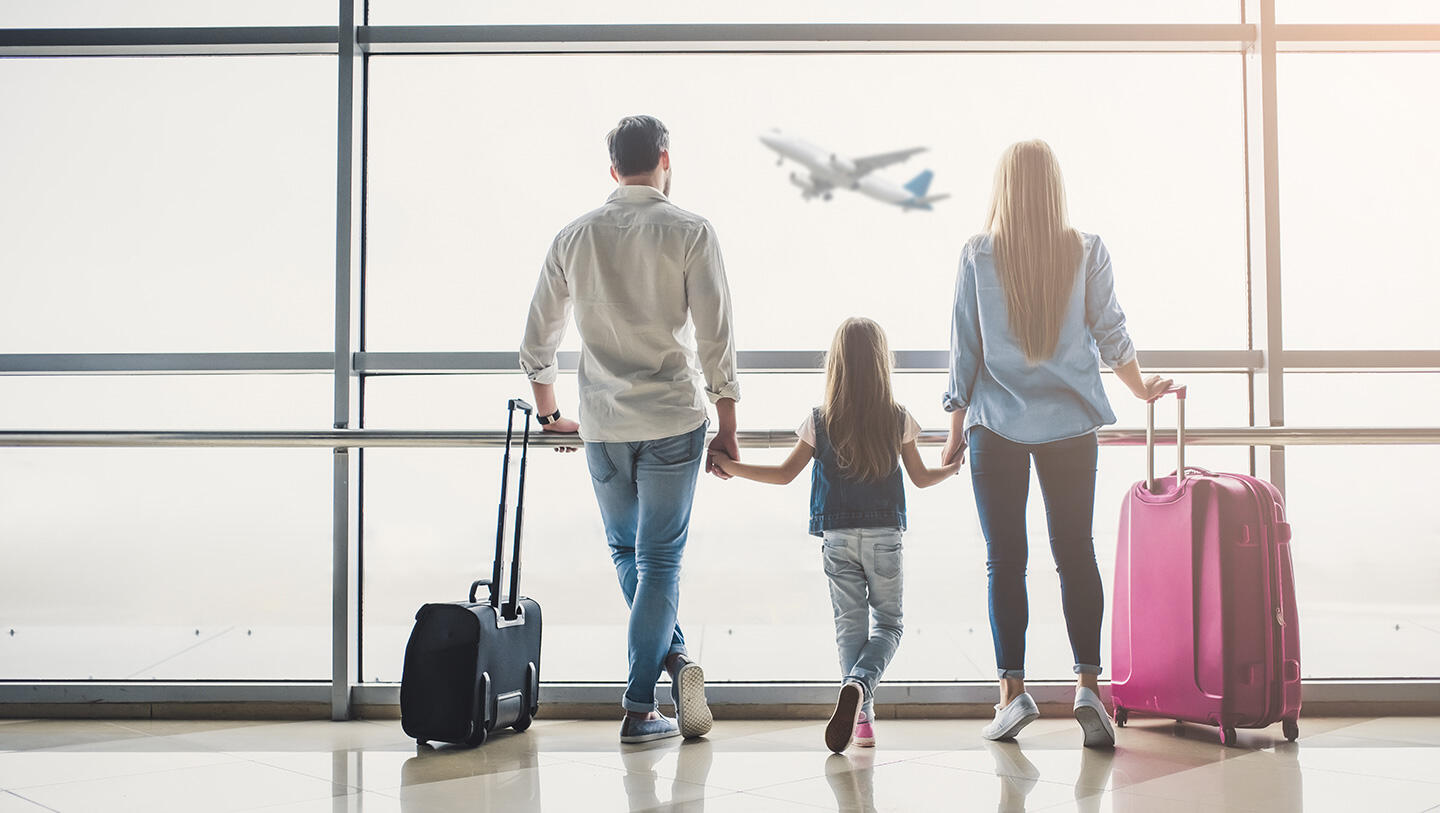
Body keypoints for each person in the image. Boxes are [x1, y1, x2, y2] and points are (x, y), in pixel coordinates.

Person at [940, 140, 1172, 748]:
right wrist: (1141, 388)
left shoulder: (977, 255)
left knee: (1005, 561)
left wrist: (954, 428)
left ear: (1005, 188)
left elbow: (965, 352)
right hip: (1070, 424)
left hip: (996, 426)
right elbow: (1111, 330)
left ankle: (1012, 697)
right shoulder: (1086, 250)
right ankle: (1088, 688)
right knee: (1075, 552)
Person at [519, 115, 741, 744]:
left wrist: (548, 414)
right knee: (661, 560)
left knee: (629, 554)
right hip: (674, 418)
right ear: (666, 159)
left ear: (613, 168)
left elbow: (537, 344)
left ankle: (667, 668)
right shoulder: (692, 231)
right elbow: (715, 338)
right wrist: (728, 426)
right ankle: (642, 702)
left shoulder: (574, 237)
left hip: (604, 425)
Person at [712, 317, 960, 753]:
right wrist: (954, 467)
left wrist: (730, 466)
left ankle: (862, 721)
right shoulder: (897, 417)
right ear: (882, 363)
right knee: (889, 625)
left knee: (850, 628)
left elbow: (785, 474)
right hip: (884, 536)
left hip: (837, 537)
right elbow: (921, 478)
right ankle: (860, 688)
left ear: (837, 365)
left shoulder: (820, 419)